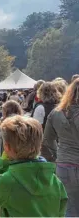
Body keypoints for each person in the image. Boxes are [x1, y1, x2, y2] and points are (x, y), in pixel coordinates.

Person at [0, 116, 67, 217]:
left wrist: (2, 163)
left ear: (6, 147)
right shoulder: (55, 181)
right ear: (39, 145)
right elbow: (61, 211)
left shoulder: (7, 181)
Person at [42, 79, 79, 216]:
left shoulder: (56, 113)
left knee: (69, 207)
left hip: (64, 164)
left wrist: (56, 154)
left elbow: (47, 139)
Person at [0, 100, 23, 170]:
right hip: (20, 164)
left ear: (5, 111)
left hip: (4, 164)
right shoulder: (24, 124)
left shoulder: (2, 125)